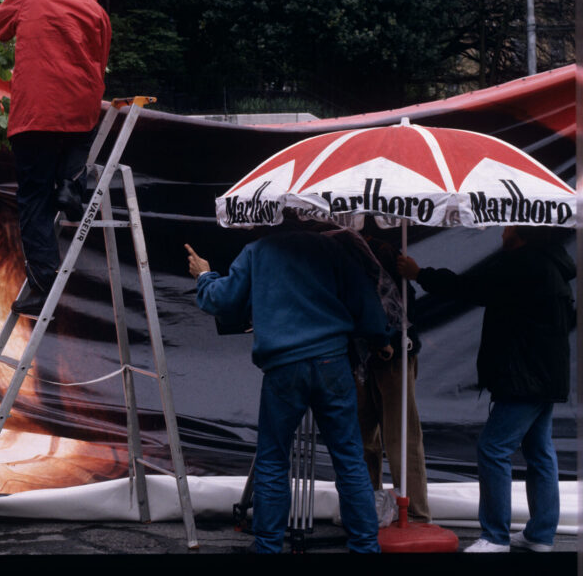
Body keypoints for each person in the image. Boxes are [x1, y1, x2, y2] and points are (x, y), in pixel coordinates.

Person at [186, 223, 390, 554]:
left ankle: (268, 548)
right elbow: (365, 301)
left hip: (284, 367)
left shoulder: (257, 251)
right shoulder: (333, 249)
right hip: (332, 362)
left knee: (273, 458)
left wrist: (204, 275)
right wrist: (381, 339)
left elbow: (222, 301)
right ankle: (366, 547)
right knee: (350, 458)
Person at [397, 225, 574, 553]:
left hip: (524, 378)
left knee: (493, 448)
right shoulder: (553, 265)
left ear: (521, 234)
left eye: (508, 228)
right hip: (547, 376)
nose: (502, 232)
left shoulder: (521, 264)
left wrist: (419, 273)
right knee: (539, 452)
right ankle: (540, 535)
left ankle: (494, 536)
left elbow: (468, 287)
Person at [0, 0, 111, 316]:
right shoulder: (97, 12)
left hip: (36, 110)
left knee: (34, 199)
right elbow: (100, 62)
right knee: (78, 136)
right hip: (81, 107)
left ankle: (42, 285)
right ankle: (72, 184)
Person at [355, 234, 431, 523]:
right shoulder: (363, 245)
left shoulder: (379, 248)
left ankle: (412, 512)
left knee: (399, 436)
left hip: (390, 352)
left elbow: (398, 303)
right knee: (368, 437)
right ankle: (371, 507)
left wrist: (385, 339)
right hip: (369, 353)